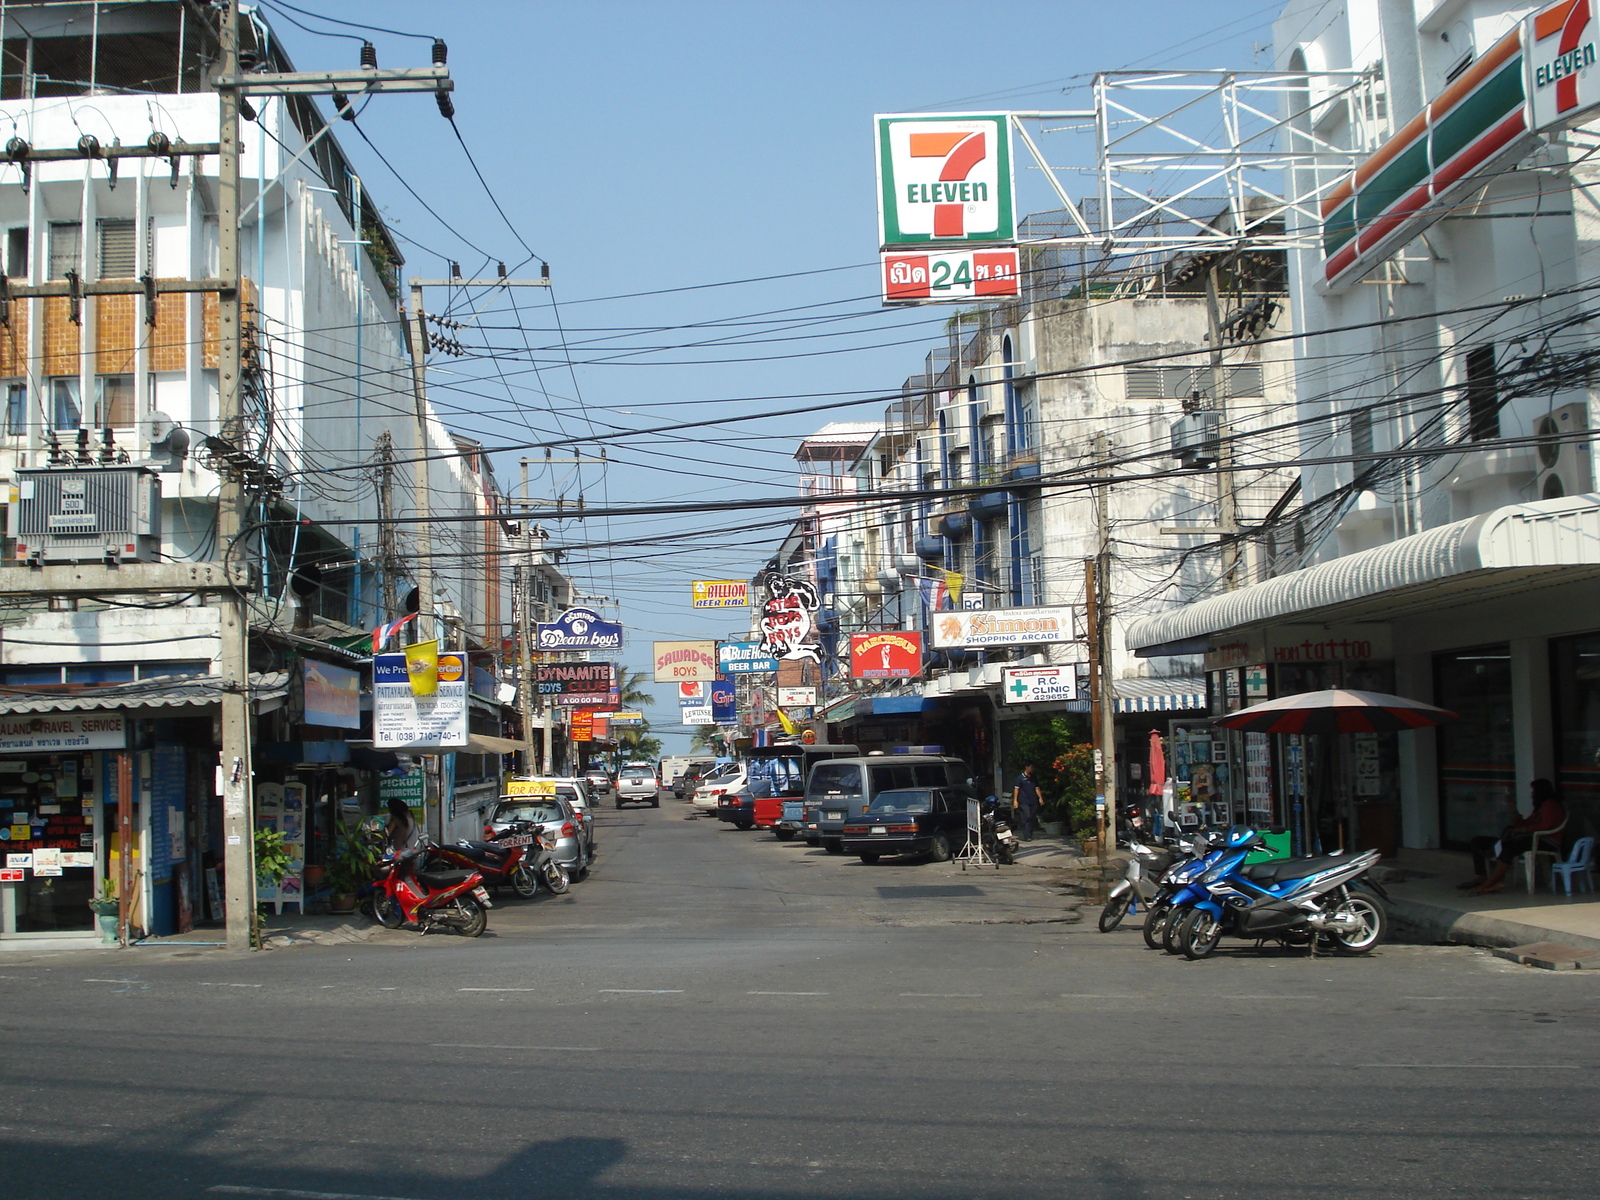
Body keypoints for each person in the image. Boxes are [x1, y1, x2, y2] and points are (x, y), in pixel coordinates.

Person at [1461, 779, 1565, 894]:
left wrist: (1523, 830)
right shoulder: (1540, 808)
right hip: (1530, 838)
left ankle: (1491, 881)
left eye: (1533, 791)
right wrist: (1513, 809)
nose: (1531, 794)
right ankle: (1483, 874)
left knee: (1509, 848)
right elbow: (1523, 823)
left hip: (1545, 841)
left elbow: (1544, 826)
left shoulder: (1550, 805)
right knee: (1478, 841)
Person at [1012, 763, 1041, 842]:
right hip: (1024, 801)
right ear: (1026, 767)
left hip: (1033, 800)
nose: (1031, 769)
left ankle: (1030, 834)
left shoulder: (1033, 778)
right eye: (1030, 767)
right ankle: (1026, 835)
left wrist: (1040, 798)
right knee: (1026, 816)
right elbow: (1016, 789)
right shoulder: (1020, 778)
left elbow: (1037, 788)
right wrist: (1015, 801)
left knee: (1032, 817)